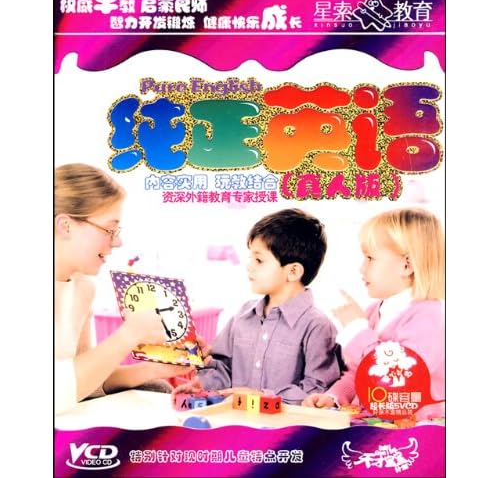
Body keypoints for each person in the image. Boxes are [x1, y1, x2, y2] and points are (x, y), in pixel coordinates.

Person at [55, 163, 192, 415]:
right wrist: (130, 333)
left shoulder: (83, 289)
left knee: (158, 388)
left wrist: (155, 368)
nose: (117, 241)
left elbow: (84, 381)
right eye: (109, 229)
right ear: (66, 226)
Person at [173, 208, 341, 405]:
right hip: (233, 419)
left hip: (285, 423)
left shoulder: (317, 326)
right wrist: (203, 381)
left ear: (293, 271)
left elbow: (317, 390)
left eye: (259, 260)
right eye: (251, 258)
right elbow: (223, 370)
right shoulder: (243, 316)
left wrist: (261, 396)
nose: (249, 266)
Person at [303, 208, 444, 421]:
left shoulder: (428, 317)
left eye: (370, 258)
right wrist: (334, 397)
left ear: (407, 265)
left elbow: (401, 379)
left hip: (413, 430)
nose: (362, 268)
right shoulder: (373, 312)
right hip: (372, 424)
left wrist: (357, 331)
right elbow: (359, 373)